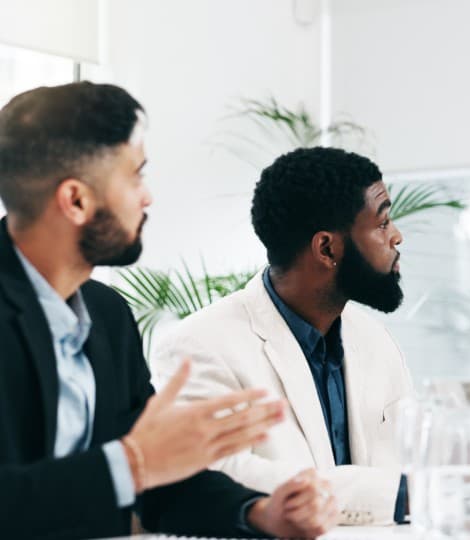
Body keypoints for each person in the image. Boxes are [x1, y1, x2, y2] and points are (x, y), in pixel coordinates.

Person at [0, 82, 339, 538]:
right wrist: (131, 464)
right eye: (135, 175)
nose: (147, 197)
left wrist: (261, 513)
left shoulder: (106, 315)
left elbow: (159, 483)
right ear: (76, 200)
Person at [152, 147, 413, 525]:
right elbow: (221, 476)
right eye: (382, 222)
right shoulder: (198, 346)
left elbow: (415, 459)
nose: (397, 236)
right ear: (327, 248)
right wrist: (398, 495)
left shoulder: (376, 339)